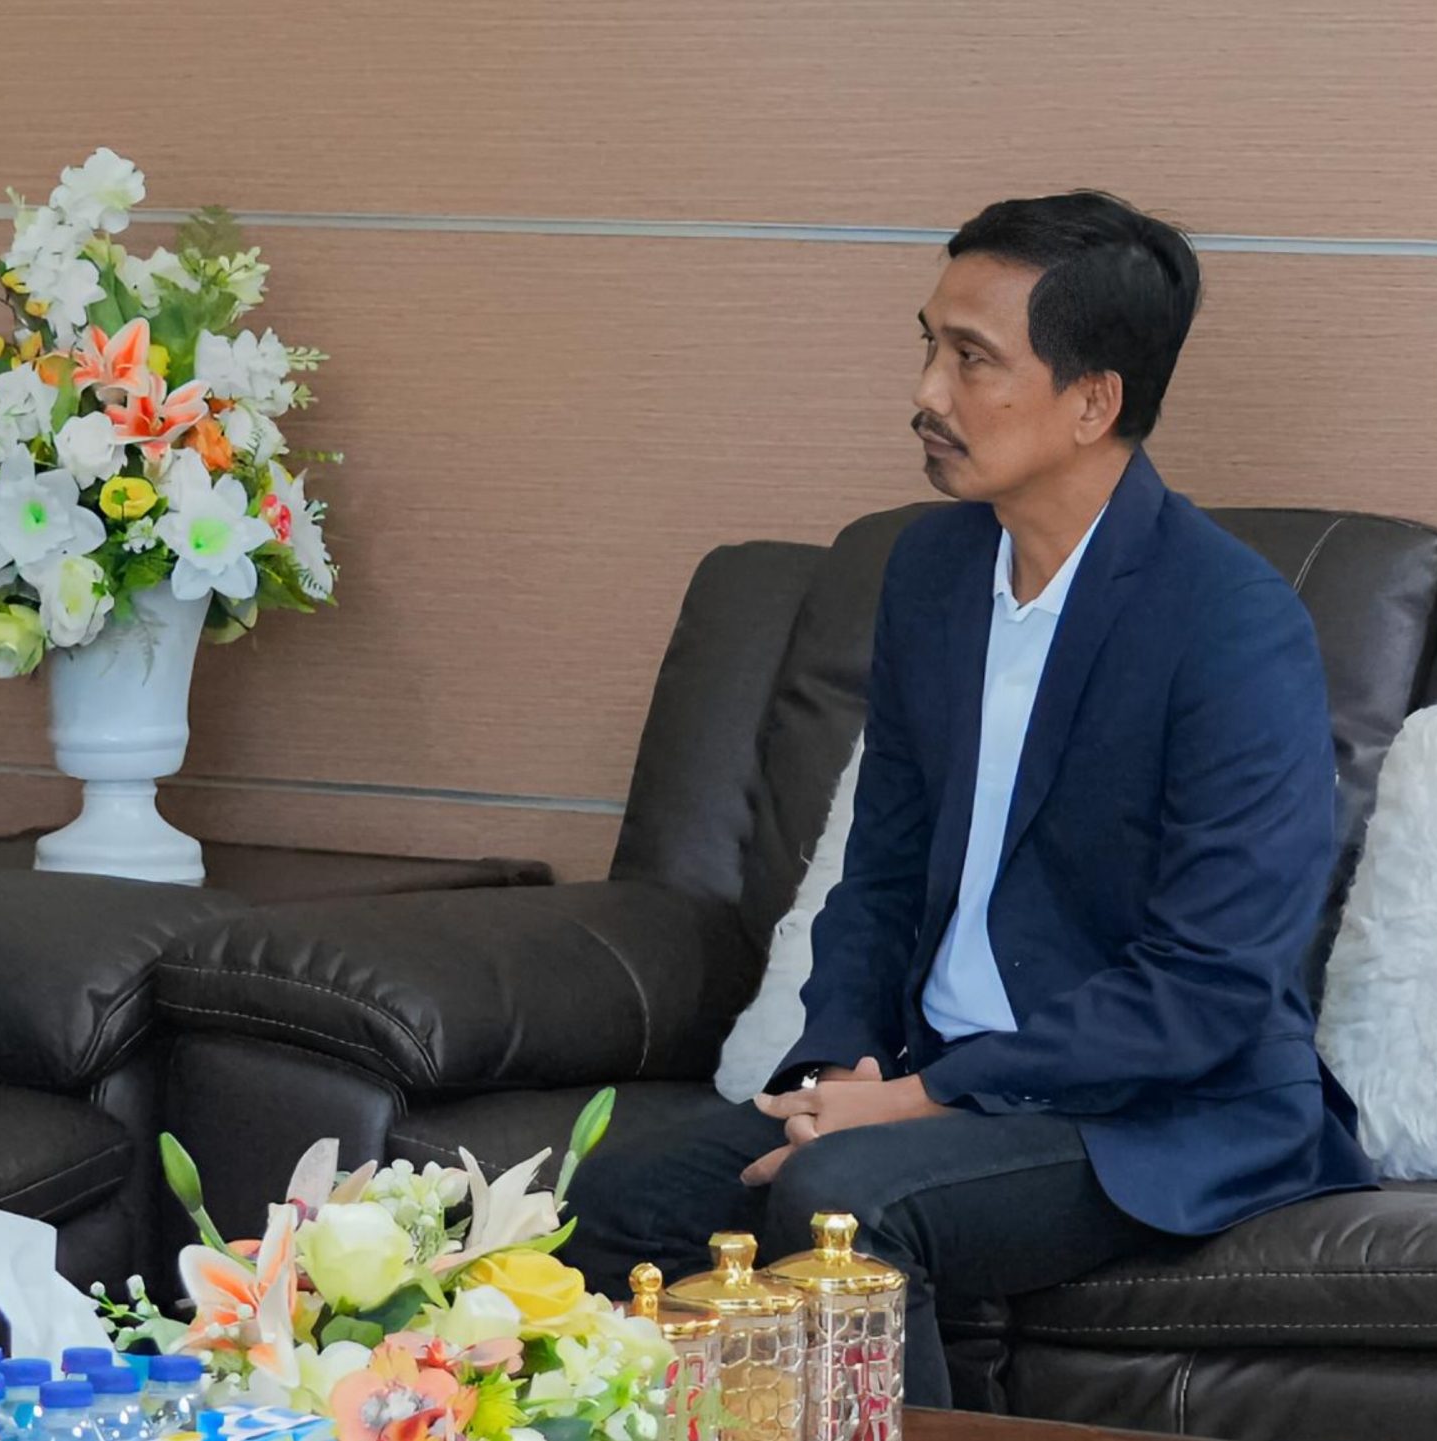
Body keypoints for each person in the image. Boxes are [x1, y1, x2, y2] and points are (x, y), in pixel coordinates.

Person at [558, 192, 1374, 1406]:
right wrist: (842, 1064)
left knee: (840, 1202)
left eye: (971, 358)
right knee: (616, 1197)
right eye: (928, 345)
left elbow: (1206, 984)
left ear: (1091, 401)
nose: (926, 391)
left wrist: (912, 1102)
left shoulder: (1230, 623)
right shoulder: (932, 570)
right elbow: (880, 870)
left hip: (1154, 1110)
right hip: (931, 1081)